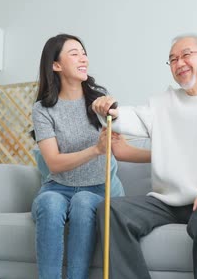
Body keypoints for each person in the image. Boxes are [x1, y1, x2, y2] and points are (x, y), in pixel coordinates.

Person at [92, 34, 197, 279]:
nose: (179, 63)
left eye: (186, 55)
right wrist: (107, 109)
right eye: (173, 59)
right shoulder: (163, 102)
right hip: (167, 202)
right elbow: (128, 117)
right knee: (110, 209)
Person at [31, 34, 148, 279]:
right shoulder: (43, 109)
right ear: (56, 65)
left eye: (84, 53)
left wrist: (165, 156)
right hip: (57, 187)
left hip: (97, 189)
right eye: (74, 53)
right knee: (48, 203)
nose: (83, 58)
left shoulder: (99, 102)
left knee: (84, 201)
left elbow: (121, 150)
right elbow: (53, 162)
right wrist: (95, 150)